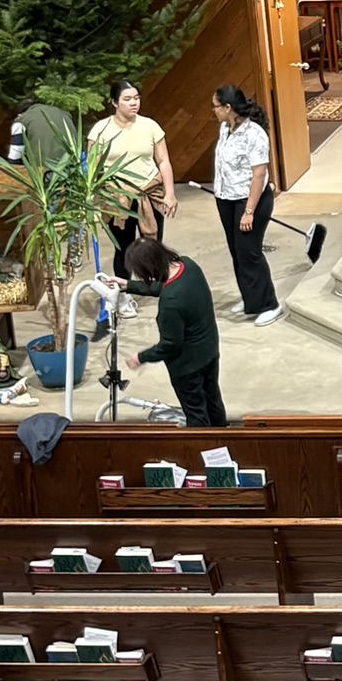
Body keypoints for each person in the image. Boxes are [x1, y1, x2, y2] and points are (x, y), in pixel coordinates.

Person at [87, 82, 176, 318]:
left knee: (153, 245)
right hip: (117, 198)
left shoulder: (150, 126)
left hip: (148, 192)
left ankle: (160, 289)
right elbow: (92, 168)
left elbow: (163, 161)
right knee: (123, 249)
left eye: (136, 97)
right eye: (127, 99)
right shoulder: (100, 130)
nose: (134, 102)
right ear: (115, 102)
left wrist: (169, 193)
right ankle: (123, 296)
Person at [115, 237, 224, 427]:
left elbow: (170, 345)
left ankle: (204, 450)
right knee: (213, 400)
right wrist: (128, 285)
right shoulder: (189, 266)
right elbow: (168, 287)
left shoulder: (170, 304)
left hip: (188, 367)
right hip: (210, 351)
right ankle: (225, 440)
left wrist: (140, 357)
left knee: (196, 413)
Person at [209, 84, 283, 327]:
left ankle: (270, 304)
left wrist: (249, 211)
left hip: (250, 200)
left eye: (216, 107)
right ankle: (251, 299)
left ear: (228, 107)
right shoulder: (225, 128)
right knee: (236, 251)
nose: (214, 111)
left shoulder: (254, 134)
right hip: (226, 198)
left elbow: (259, 175)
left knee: (249, 252)